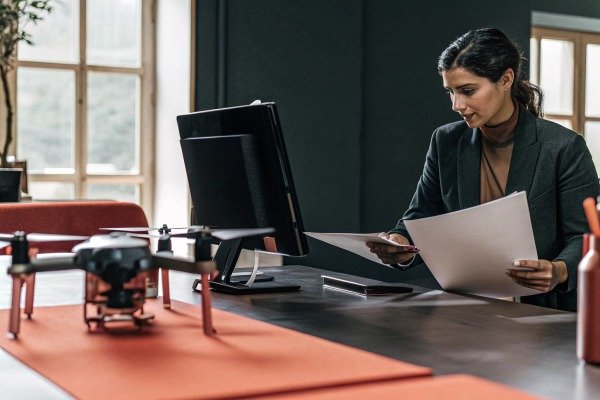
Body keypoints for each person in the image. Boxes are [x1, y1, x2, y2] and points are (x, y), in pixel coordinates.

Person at [366, 28, 600, 311]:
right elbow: (420, 216)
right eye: (450, 92)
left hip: (544, 311)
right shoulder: (445, 141)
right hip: (466, 307)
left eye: (467, 91)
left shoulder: (564, 147)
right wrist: (400, 244)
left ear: (506, 79)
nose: (456, 105)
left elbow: (584, 236)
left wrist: (559, 270)